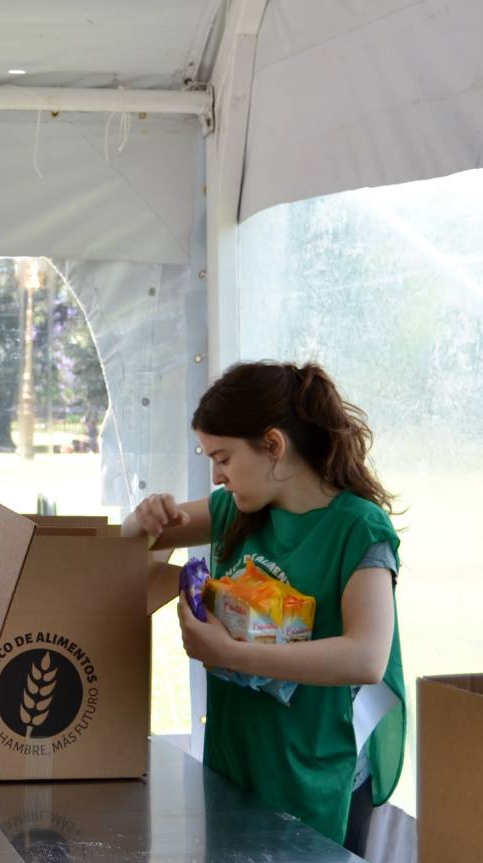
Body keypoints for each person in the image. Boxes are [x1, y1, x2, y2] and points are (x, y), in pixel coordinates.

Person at [122, 361, 404, 855]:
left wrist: (229, 653)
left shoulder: (358, 529)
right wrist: (142, 520)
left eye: (224, 457)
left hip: (315, 770)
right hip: (239, 761)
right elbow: (127, 554)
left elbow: (365, 657)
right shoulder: (234, 510)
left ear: (273, 445)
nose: (215, 474)